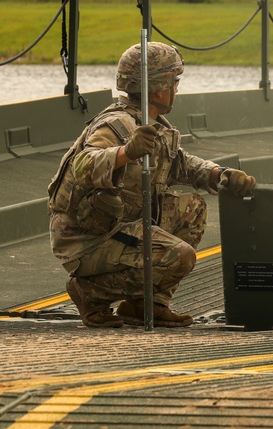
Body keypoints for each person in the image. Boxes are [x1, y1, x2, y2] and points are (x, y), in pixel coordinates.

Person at [48, 42, 256, 328]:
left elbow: (180, 163)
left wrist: (218, 174)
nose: (177, 89)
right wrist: (125, 153)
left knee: (192, 209)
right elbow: (84, 164)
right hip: (87, 237)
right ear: (159, 86)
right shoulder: (116, 125)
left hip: (119, 227)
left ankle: (147, 303)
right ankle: (89, 294)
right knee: (179, 256)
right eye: (175, 81)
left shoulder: (151, 124)